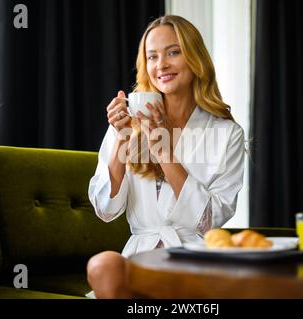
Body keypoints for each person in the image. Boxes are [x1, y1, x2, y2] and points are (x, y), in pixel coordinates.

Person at [86, 15, 245, 298]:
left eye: (173, 52)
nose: (162, 65)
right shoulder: (128, 124)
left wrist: (162, 149)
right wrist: (122, 139)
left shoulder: (227, 133)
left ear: (195, 58)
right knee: (103, 266)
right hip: (141, 258)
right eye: (152, 57)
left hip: (193, 259)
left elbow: (210, 219)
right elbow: (105, 210)